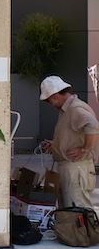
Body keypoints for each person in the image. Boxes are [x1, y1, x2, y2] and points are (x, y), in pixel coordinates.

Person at [40, 75, 99, 210]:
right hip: (71, 168)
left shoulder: (74, 108)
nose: (50, 104)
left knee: (77, 210)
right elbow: (73, 134)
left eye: (49, 100)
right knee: (69, 211)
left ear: (54, 96)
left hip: (76, 168)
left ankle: (83, 226)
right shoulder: (67, 109)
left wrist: (85, 148)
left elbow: (93, 125)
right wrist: (56, 145)